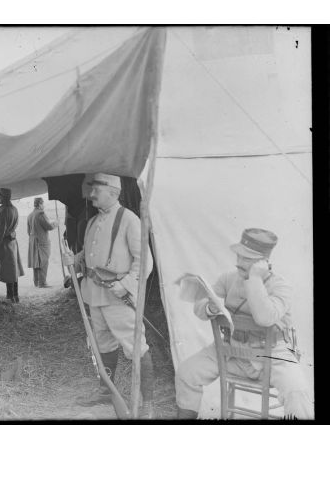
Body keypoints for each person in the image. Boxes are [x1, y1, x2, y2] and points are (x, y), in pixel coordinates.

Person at [175, 228, 314, 420]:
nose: (239, 262)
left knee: (298, 393)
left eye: (247, 258)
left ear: (263, 263)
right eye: (239, 256)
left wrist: (255, 278)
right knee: (187, 372)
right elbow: (200, 306)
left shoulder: (281, 286)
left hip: (274, 355)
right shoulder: (228, 278)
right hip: (232, 352)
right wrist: (210, 308)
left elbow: (265, 318)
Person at [61, 173, 155, 419]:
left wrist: (126, 284)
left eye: (97, 190)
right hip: (95, 294)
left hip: (118, 295)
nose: (91, 194)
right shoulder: (92, 222)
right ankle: (106, 390)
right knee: (102, 343)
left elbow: (144, 261)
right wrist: (76, 260)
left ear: (113, 192)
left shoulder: (129, 220)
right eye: (92, 189)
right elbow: (90, 255)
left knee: (135, 345)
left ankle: (148, 404)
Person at [0, 187, 24, 302]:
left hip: (5, 244)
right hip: (12, 243)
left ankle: (10, 297)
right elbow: (9, 223)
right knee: (13, 271)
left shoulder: (3, 211)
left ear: (3, 197)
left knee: (9, 271)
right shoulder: (14, 209)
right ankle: (15, 296)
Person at [27, 197, 58, 287]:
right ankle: (42, 283)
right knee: (43, 262)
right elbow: (49, 226)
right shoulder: (40, 214)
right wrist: (56, 223)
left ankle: (36, 282)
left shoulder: (30, 215)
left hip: (32, 242)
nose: (43, 206)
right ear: (40, 204)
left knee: (36, 262)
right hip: (42, 242)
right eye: (43, 204)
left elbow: (28, 231)